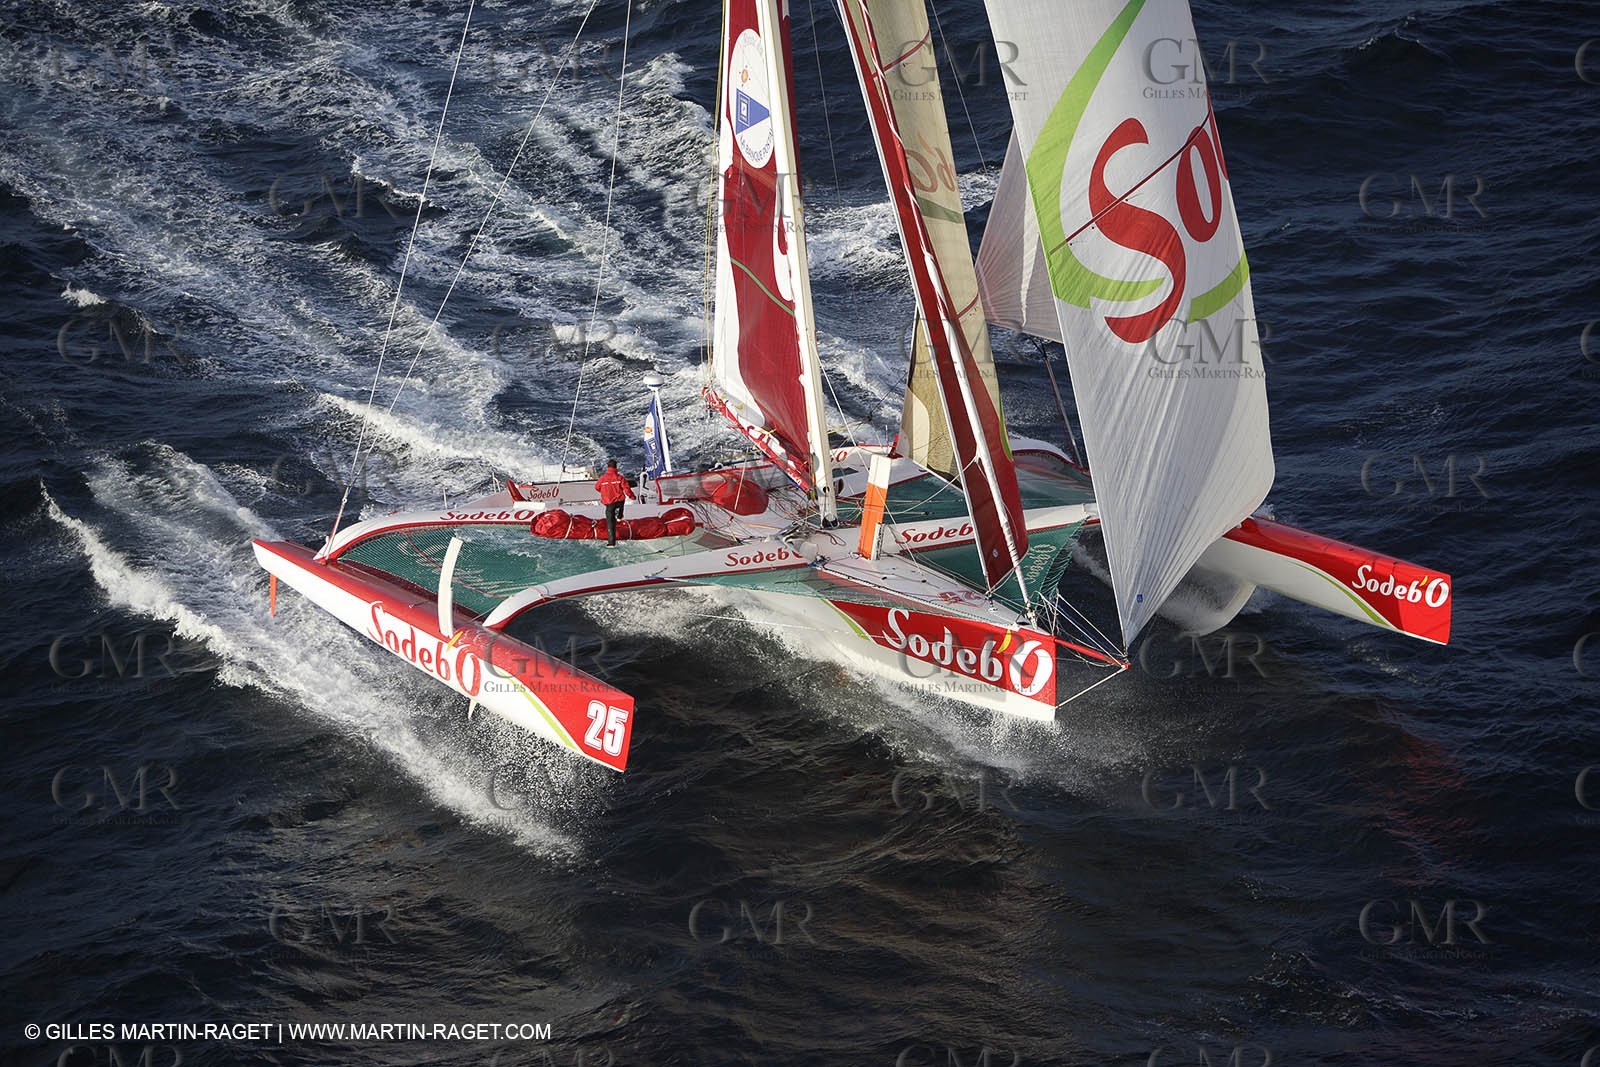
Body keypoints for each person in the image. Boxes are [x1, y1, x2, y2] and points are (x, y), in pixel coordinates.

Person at [594, 459, 636, 547]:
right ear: (616, 467)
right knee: (621, 505)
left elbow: (597, 487)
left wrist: (605, 491)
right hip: (619, 501)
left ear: (608, 467)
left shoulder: (602, 479)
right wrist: (632, 497)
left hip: (609, 503)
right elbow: (627, 489)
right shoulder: (620, 478)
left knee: (610, 523)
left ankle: (611, 543)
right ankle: (620, 515)